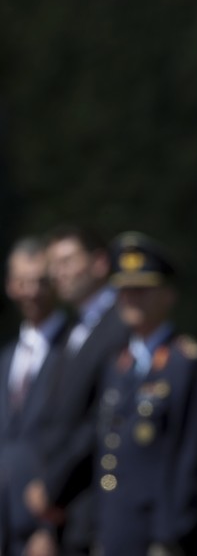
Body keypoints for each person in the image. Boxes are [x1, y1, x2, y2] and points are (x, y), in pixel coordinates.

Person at [94, 232, 197, 556]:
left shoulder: (184, 363)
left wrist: (169, 537)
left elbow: (190, 458)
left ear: (167, 295)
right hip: (116, 530)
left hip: (159, 536)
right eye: (125, 290)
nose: (131, 299)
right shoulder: (116, 364)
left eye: (142, 290)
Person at [23, 225, 130, 555]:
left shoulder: (121, 324)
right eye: (54, 264)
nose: (59, 273)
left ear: (99, 263)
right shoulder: (74, 328)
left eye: (67, 261)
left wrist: (52, 488)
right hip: (66, 512)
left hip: (95, 505)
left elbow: (100, 419)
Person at [0, 236, 70, 556]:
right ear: (9, 285)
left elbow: (74, 441)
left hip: (47, 529)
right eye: (21, 282)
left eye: (39, 281)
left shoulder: (73, 352)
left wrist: (49, 528)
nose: (30, 291)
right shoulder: (7, 358)